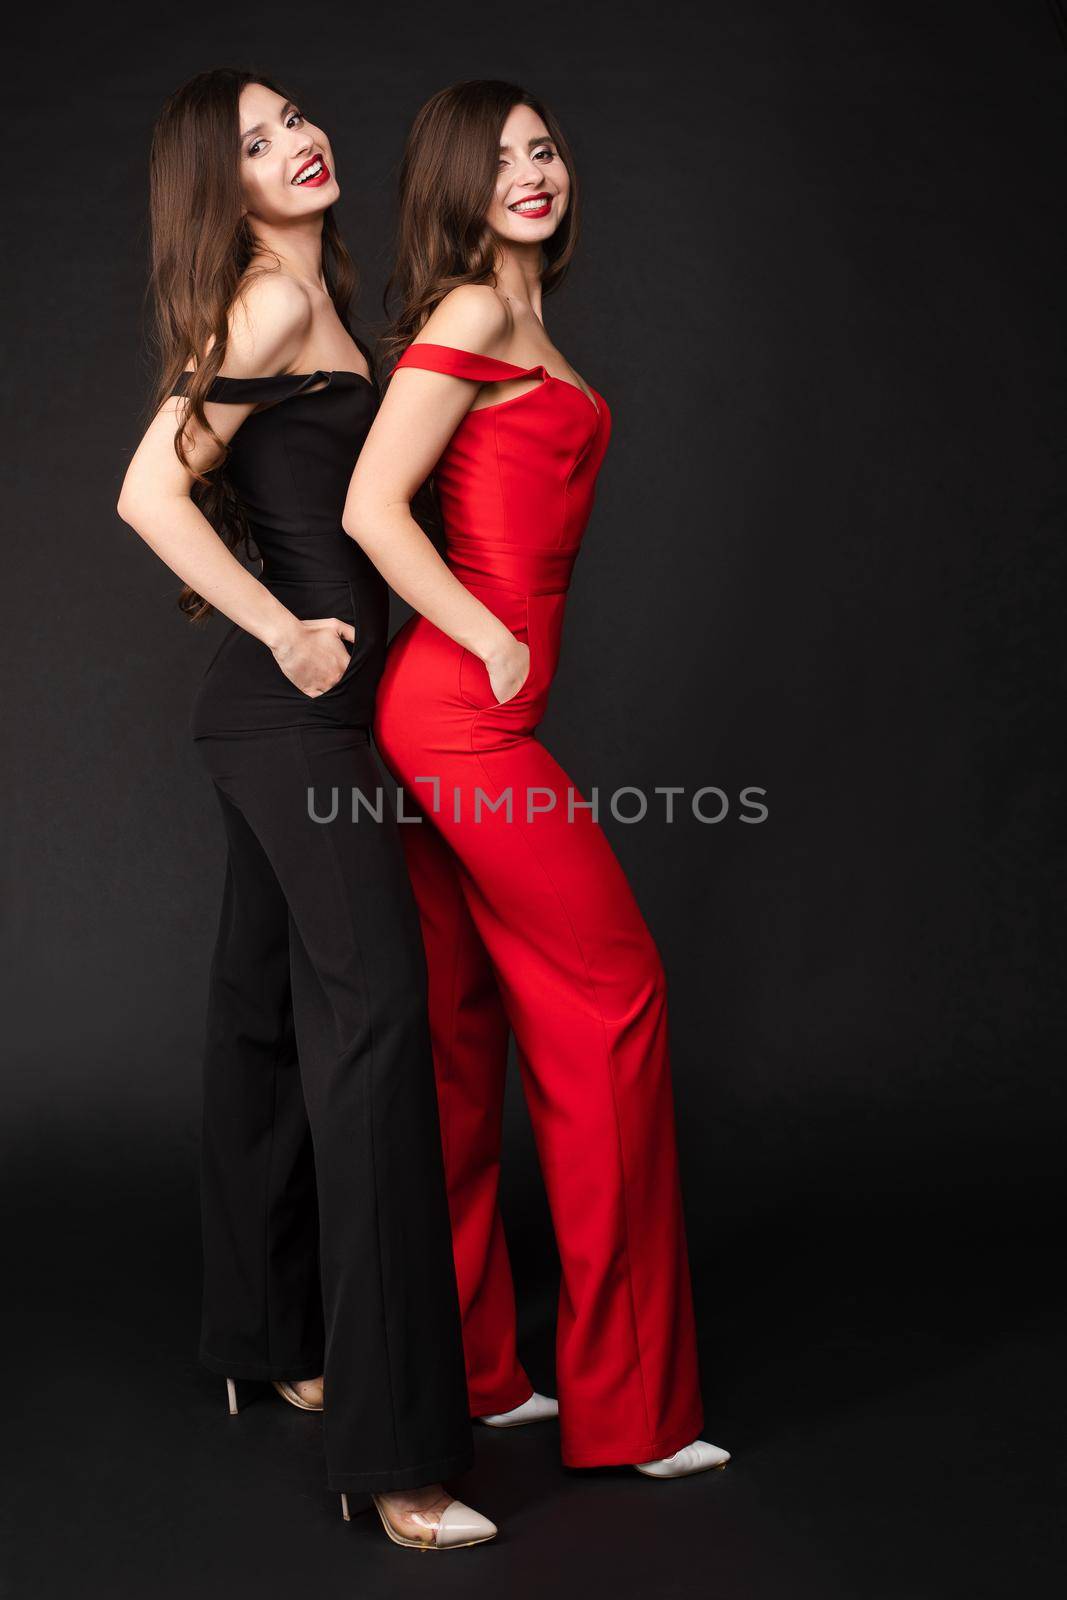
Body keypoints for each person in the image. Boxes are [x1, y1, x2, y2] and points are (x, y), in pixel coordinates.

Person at [117, 68, 496, 1550]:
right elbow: (149, 494)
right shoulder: (269, 308)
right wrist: (283, 629)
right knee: (378, 1026)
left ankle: (260, 1336)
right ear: (220, 186)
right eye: (256, 142)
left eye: (294, 120)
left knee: (262, 1006)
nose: (296, 144)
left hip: (298, 719)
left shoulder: (316, 300)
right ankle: (396, 1455)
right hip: (292, 714)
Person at [343, 79, 730, 1478]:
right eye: (499, 158)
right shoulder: (473, 313)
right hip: (459, 719)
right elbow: (371, 504)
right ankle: (629, 1406)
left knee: (461, 1034)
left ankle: (482, 1373)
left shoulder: (526, 323)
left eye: (546, 148)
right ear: (453, 182)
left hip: (445, 721)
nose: (532, 172)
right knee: (614, 1001)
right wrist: (490, 631)